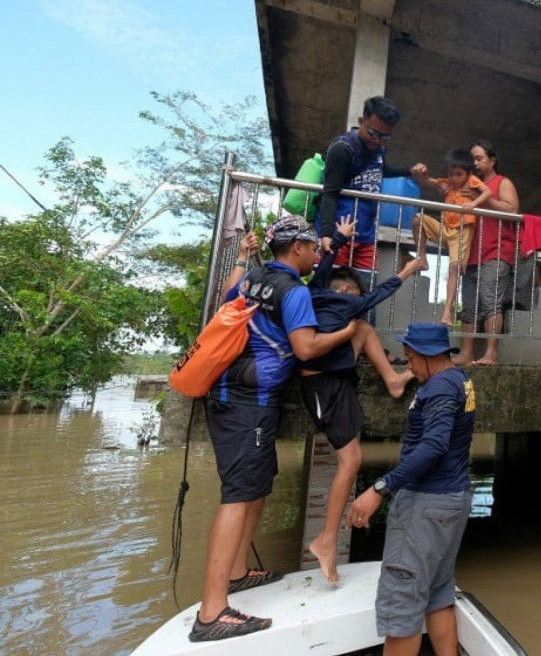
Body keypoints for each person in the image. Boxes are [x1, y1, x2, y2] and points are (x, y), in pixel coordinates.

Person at [191, 216, 360, 643]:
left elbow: (227, 298)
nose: (317, 255)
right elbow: (306, 347)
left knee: (257, 487)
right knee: (238, 495)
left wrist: (242, 258)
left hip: (241, 395)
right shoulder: (294, 290)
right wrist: (347, 331)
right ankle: (211, 613)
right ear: (298, 247)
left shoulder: (255, 278)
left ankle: (237, 574)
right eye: (313, 247)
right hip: (246, 401)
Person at [300, 215, 429, 585]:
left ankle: (393, 380)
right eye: (355, 296)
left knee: (364, 327)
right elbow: (377, 291)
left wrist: (340, 239)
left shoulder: (320, 295)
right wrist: (406, 271)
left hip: (339, 382)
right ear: (344, 291)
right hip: (324, 386)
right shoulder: (339, 302)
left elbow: (326, 270)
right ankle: (326, 540)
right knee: (352, 460)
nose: (358, 300)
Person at [346, 323, 475, 656]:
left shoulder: (440, 388)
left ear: (428, 355)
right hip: (453, 499)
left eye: (410, 358)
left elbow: (434, 445)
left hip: (426, 505)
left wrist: (381, 488)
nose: (409, 366)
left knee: (402, 603)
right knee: (438, 593)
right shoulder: (459, 379)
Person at [317, 95, 427, 272]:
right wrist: (326, 234)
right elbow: (329, 193)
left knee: (365, 286)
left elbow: (380, 170)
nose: (377, 140)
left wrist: (409, 171)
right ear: (361, 121)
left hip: (366, 235)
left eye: (385, 137)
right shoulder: (342, 148)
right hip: (339, 232)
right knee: (333, 284)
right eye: (373, 133)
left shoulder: (379, 149)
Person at [412, 148, 494, 327]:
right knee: (418, 219)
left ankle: (447, 311)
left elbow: (487, 192)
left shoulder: (472, 181)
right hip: (446, 228)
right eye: (451, 174)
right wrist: (421, 174)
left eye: (459, 174)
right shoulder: (448, 183)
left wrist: (474, 203)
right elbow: (428, 182)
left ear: (468, 173)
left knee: (454, 267)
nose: (454, 178)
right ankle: (422, 258)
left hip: (462, 232)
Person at [456, 140, 520, 366]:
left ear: (492, 161)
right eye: (471, 159)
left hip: (496, 251)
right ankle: (466, 354)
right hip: (471, 253)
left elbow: (512, 209)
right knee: (469, 305)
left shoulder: (502, 182)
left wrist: (483, 198)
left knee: (491, 302)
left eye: (479, 158)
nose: (474, 163)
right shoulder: (470, 184)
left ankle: (491, 354)